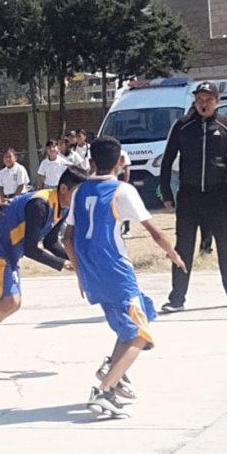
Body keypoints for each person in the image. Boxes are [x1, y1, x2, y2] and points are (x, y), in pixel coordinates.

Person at [63, 136, 186, 418]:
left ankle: (113, 370)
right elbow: (155, 232)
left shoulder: (79, 191)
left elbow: (68, 238)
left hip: (92, 271)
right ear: (121, 162)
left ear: (90, 162)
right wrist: (175, 255)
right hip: (115, 271)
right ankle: (104, 390)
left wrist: (80, 273)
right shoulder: (122, 190)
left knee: (141, 313)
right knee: (139, 335)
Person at [0, 166, 86, 367]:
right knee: (9, 301)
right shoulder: (40, 205)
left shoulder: (64, 207)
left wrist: (74, 261)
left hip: (9, 247)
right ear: (64, 189)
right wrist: (62, 264)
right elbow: (31, 249)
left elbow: (51, 242)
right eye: (78, 193)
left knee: (14, 304)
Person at [159, 81, 227, 312]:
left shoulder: (226, 126)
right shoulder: (182, 126)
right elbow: (167, 160)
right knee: (183, 247)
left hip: (218, 194)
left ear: (217, 101)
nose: (204, 104)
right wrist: (166, 192)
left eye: (208, 100)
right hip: (189, 194)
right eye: (199, 100)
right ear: (194, 101)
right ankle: (176, 299)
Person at [117, 149, 133, 238]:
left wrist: (125, 182)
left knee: (124, 205)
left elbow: (126, 168)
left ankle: (127, 228)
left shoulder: (122, 153)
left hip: (119, 178)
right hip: (111, 178)